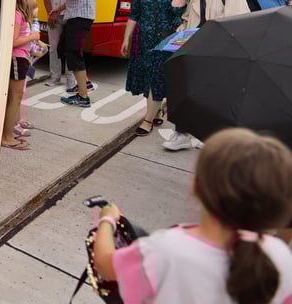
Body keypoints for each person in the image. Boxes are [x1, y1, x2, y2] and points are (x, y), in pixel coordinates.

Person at [93, 128, 292, 304]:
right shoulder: (281, 257)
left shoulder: (164, 250)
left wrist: (107, 220)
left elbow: (105, 265)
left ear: (197, 187)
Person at [164, 0, 249, 151]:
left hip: (219, 54)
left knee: (213, 97)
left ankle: (209, 135)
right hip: (195, 50)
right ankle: (182, 133)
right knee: (185, 92)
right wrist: (179, 36)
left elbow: (237, 26)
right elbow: (188, 19)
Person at [121, 0, 187, 136]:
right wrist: (127, 38)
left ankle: (147, 120)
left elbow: (177, 9)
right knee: (147, 76)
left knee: (157, 79)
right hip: (143, 39)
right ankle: (157, 109)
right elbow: (134, 14)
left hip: (166, 40)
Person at [50, 0, 96, 108]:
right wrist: (59, 8)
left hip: (79, 16)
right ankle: (85, 83)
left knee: (73, 54)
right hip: (79, 13)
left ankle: (83, 95)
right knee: (64, 49)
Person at [0, 0, 41, 151]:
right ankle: (7, 137)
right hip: (17, 58)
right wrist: (32, 37)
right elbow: (14, 41)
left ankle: (9, 132)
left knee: (14, 99)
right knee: (14, 99)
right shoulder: (17, 15)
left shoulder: (18, 13)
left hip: (20, 59)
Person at [41, 0, 76, 89]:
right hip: (55, 15)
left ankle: (71, 81)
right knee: (54, 47)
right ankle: (54, 77)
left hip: (70, 14)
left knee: (70, 48)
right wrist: (50, 13)